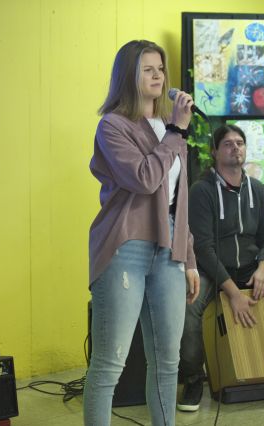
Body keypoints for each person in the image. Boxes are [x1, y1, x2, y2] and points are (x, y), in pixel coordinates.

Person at [84, 40, 200, 426]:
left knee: (168, 362)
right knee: (109, 365)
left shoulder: (171, 129)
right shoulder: (113, 126)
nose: (158, 76)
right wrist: (175, 131)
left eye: (160, 68)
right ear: (127, 77)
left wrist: (189, 259)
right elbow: (145, 179)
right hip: (125, 246)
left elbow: (178, 201)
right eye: (147, 69)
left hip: (170, 247)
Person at [177, 124, 264, 412]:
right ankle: (193, 379)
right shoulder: (202, 190)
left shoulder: (257, 189)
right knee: (189, 306)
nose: (235, 148)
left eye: (240, 143)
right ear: (215, 151)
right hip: (212, 271)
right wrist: (233, 293)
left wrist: (263, 269)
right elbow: (203, 248)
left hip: (250, 269)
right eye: (228, 144)